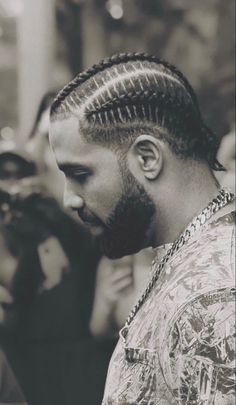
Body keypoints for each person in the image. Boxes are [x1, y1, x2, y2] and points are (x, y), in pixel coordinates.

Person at [49, 53, 235, 404]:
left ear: (147, 158)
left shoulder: (215, 300)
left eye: (80, 175)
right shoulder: (186, 253)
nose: (68, 199)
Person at [0, 94, 113, 405]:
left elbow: (96, 257)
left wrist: (56, 217)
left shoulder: (87, 199)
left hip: (78, 350)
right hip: (24, 353)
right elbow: (15, 294)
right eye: (45, 136)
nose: (13, 184)